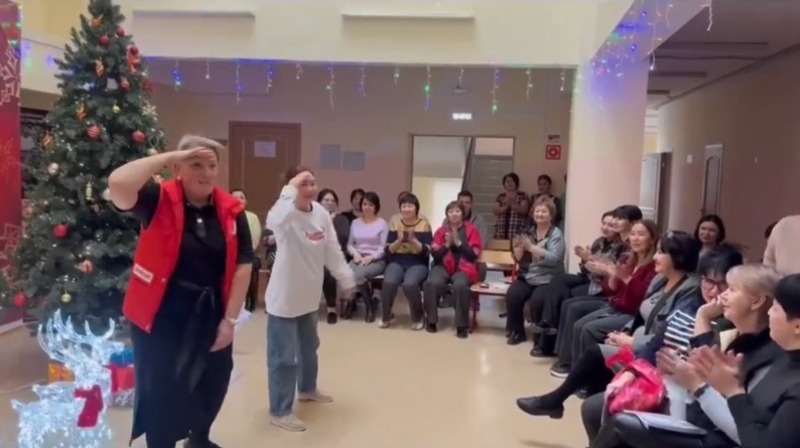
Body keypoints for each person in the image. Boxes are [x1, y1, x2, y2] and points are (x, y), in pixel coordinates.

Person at [108, 135, 254, 448]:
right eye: (196, 164)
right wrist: (169, 156)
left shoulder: (231, 210)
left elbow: (244, 264)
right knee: (162, 387)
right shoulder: (157, 199)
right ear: (178, 168)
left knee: (213, 380)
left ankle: (199, 439)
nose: (206, 172)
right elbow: (118, 183)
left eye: (211, 165)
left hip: (210, 310)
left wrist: (230, 320)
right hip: (161, 314)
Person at [517, 234, 719, 421]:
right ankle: (586, 411)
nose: (655, 257)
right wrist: (626, 331)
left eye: (661, 252)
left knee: (594, 354)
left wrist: (632, 341)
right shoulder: (661, 279)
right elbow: (641, 311)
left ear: (677, 257)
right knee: (596, 356)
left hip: (656, 354)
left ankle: (559, 402)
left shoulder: (690, 289)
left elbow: (670, 333)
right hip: (640, 339)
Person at [584, 263, 784, 448]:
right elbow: (694, 372)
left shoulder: (766, 357)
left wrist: (695, 384)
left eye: (731, 289)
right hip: (695, 413)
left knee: (620, 424)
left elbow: (743, 428)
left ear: (757, 301)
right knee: (596, 410)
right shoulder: (735, 335)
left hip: (717, 434)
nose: (722, 295)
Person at [264, 167, 356, 432]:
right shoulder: (285, 214)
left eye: (313, 182)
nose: (311, 188)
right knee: (284, 358)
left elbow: (332, 250)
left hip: (308, 297)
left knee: (308, 348)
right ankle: (280, 410)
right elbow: (274, 221)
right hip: (284, 299)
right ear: (291, 187)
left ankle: (306, 389)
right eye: (303, 183)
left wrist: (346, 279)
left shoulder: (321, 214)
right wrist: (289, 189)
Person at [550, 220, 658, 376]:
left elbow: (642, 298)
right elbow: (611, 290)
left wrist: (625, 279)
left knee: (589, 328)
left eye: (641, 234)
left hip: (632, 314)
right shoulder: (629, 260)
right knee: (579, 324)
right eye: (633, 234)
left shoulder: (652, 266)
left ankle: (586, 376)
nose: (635, 238)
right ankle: (574, 370)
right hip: (617, 306)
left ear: (652, 239)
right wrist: (613, 276)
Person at [505, 196, 565, 345]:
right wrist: (518, 250)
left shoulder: (556, 234)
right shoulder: (528, 232)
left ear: (551, 215)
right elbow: (518, 259)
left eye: (544, 211)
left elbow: (555, 259)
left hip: (547, 279)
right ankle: (517, 332)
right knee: (513, 294)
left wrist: (531, 248)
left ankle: (540, 337)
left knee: (537, 300)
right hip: (527, 276)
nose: (539, 214)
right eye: (537, 211)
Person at [423, 200, 483, 338]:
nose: (454, 214)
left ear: (463, 213)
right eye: (451, 211)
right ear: (447, 215)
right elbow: (436, 256)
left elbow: (473, 255)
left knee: (460, 285)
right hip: (442, 266)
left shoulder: (472, 230)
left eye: (457, 211)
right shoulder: (441, 231)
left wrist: (458, 243)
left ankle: (461, 325)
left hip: (464, 268)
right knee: (433, 283)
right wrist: (447, 245)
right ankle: (431, 321)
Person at [380, 192, 432, 329]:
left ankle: (418, 317)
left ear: (416, 208)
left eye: (410, 206)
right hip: (397, 261)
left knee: (409, 284)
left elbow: (427, 251)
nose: (407, 209)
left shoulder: (424, 225)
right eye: (404, 206)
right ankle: (386, 316)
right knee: (389, 282)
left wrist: (414, 241)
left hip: (417, 263)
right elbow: (388, 250)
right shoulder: (395, 223)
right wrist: (398, 241)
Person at [345, 191, 389, 322]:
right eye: (364, 204)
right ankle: (352, 302)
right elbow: (350, 244)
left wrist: (371, 257)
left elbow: (383, 247)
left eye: (371, 204)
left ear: (376, 207)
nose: (367, 207)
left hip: (377, 260)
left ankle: (369, 308)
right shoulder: (355, 223)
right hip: (358, 258)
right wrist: (355, 254)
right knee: (346, 274)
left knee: (358, 275)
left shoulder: (382, 223)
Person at [318, 188, 352, 324]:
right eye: (326, 200)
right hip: (315, 255)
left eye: (333, 201)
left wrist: (330, 223)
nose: (329, 203)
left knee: (329, 272)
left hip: (334, 255)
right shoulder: (312, 218)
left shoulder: (341, 219)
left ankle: (331, 308)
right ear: (319, 202)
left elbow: (342, 238)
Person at [231, 189, 262, 312]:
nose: (238, 200)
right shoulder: (224, 215)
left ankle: (250, 303)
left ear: (246, 202)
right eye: (235, 197)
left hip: (247, 255)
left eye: (241, 197)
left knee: (251, 264)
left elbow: (254, 241)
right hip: (228, 255)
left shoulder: (252, 217)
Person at [493, 172, 530, 239]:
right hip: (501, 231)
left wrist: (513, 204)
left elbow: (524, 210)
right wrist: (506, 206)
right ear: (504, 184)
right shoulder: (500, 196)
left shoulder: (523, 195)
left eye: (512, 181)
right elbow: (495, 210)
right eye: (507, 181)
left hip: (517, 230)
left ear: (516, 183)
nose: (510, 183)